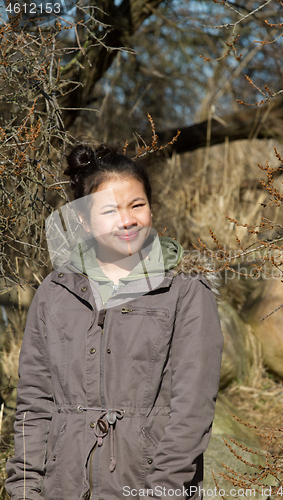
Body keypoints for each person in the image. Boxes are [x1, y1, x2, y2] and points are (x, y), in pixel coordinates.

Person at [5, 144, 223, 500]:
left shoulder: (185, 291)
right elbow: (34, 402)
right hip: (61, 488)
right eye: (109, 210)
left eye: (137, 205)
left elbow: (193, 412)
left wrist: (162, 493)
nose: (127, 220)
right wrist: (25, 489)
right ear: (82, 219)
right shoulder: (54, 293)